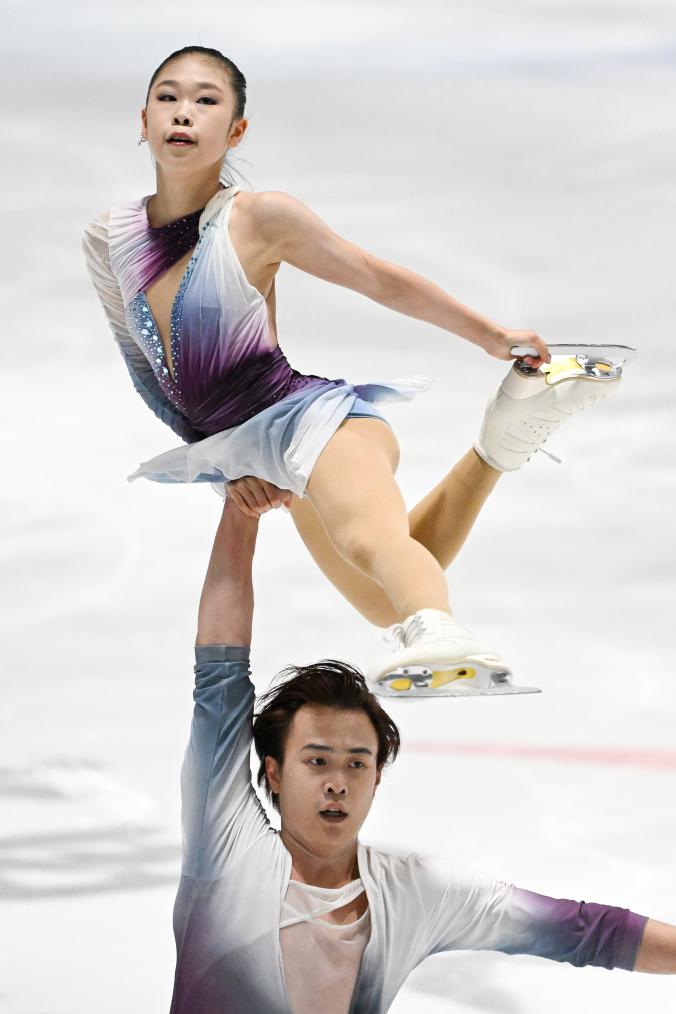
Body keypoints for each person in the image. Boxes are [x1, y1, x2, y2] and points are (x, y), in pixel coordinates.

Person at [82, 44, 622, 698]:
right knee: (379, 600)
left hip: (316, 423)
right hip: (257, 446)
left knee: (369, 540)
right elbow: (150, 370)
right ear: (142, 120)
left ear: (236, 130)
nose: (183, 112)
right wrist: (225, 464)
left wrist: (490, 336)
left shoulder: (259, 218)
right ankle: (499, 442)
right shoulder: (110, 237)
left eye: (206, 100)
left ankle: (444, 633)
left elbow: (375, 278)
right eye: (167, 97)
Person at [170, 496, 675, 1013]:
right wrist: (242, 511)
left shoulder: (413, 893)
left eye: (357, 763)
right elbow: (219, 677)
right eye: (317, 761)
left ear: (377, 777)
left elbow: (582, 931)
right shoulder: (227, 847)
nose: (338, 783)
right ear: (274, 773)